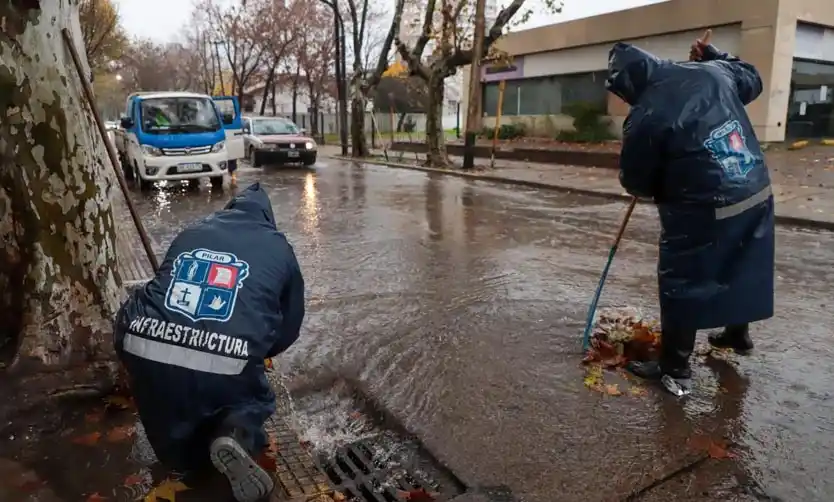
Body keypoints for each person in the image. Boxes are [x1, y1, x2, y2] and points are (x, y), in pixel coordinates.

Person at [605, 31, 775, 391]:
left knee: (681, 279)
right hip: (753, 188)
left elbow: (635, 182)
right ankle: (736, 332)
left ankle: (675, 369)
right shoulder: (713, 72)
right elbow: (751, 77)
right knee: (740, 261)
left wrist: (648, 182)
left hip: (702, 206)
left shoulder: (646, 114)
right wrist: (713, 54)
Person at [114, 182, 305, 501]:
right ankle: (234, 436)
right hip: (225, 357)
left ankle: (184, 463)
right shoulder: (278, 245)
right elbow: (291, 322)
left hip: (140, 341)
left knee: (163, 400)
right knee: (250, 399)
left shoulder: (193, 230)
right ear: (267, 217)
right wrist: (261, 353)